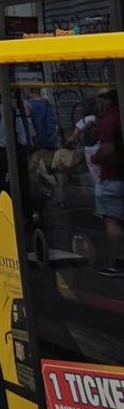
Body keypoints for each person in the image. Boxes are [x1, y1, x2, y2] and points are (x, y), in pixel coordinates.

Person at [90, 90, 124, 276]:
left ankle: (119, 260)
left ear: (109, 102)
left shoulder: (109, 121)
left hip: (112, 177)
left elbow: (107, 150)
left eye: (102, 101)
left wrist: (95, 158)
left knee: (112, 220)